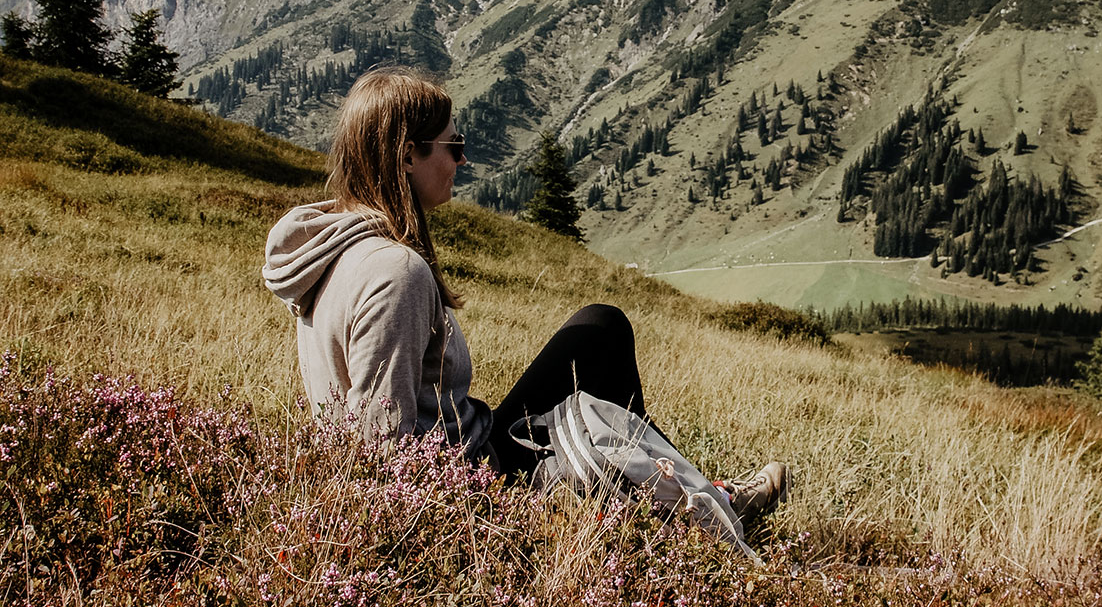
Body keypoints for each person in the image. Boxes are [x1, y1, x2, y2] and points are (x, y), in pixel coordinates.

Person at [262, 67, 784, 516]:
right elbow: (378, 446)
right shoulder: (396, 272)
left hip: (471, 445)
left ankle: (691, 486)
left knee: (598, 330)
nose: (461, 160)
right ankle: (698, 502)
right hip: (470, 482)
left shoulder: (330, 246)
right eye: (453, 146)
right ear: (406, 156)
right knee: (600, 361)